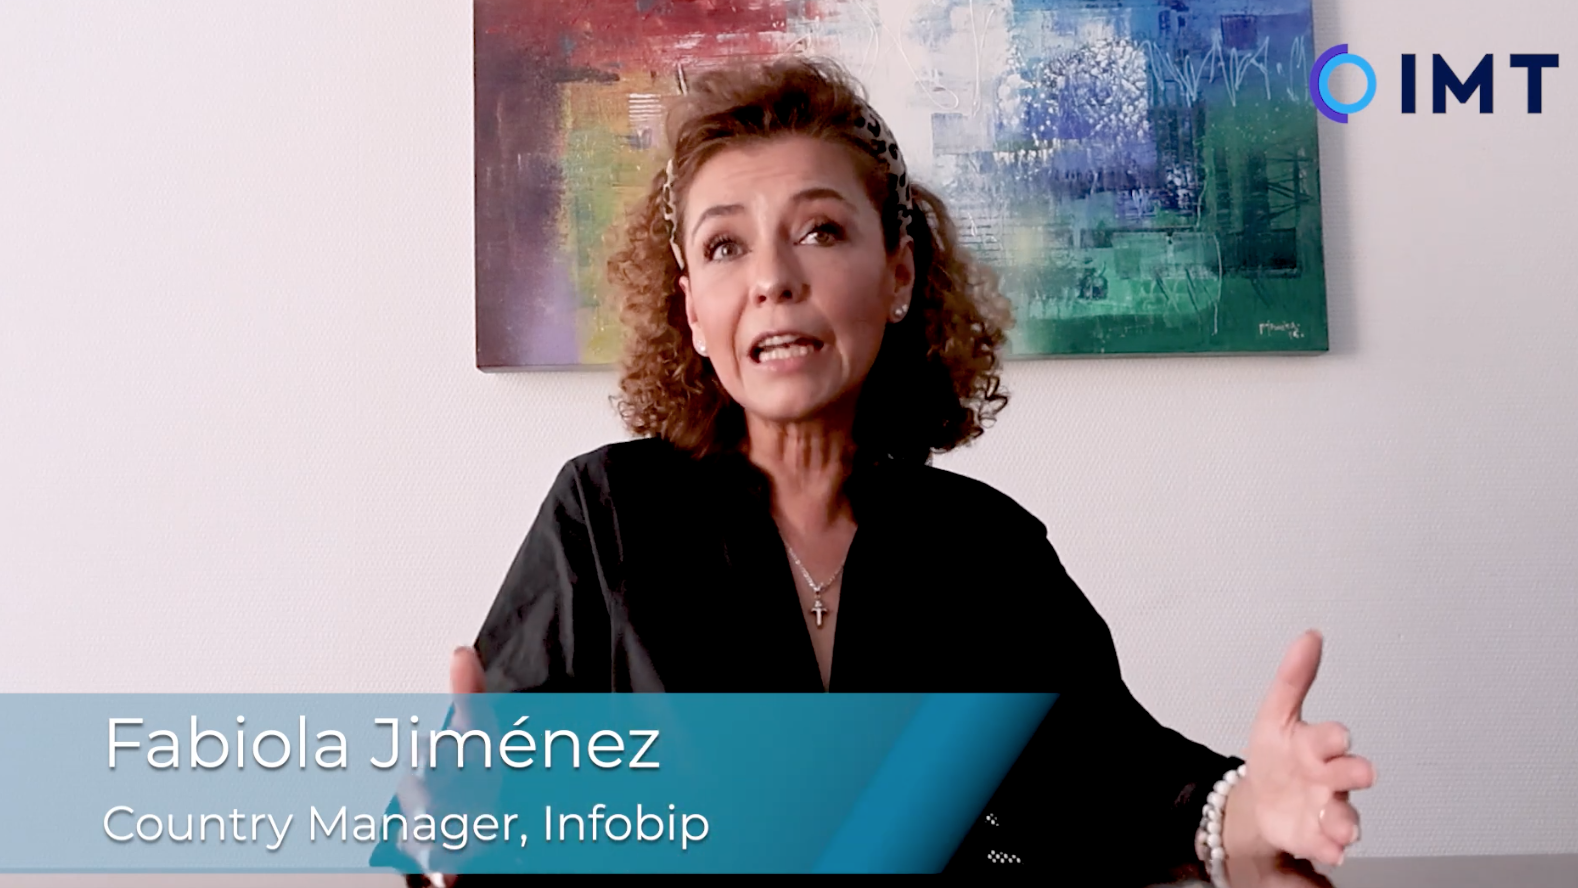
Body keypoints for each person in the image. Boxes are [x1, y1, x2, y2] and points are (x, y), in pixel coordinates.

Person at [414, 56, 1374, 883]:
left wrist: (1253, 812)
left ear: (900, 273)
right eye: (725, 246)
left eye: (821, 231)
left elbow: (1127, 787)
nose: (773, 279)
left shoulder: (988, 549)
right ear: (695, 312)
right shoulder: (604, 516)